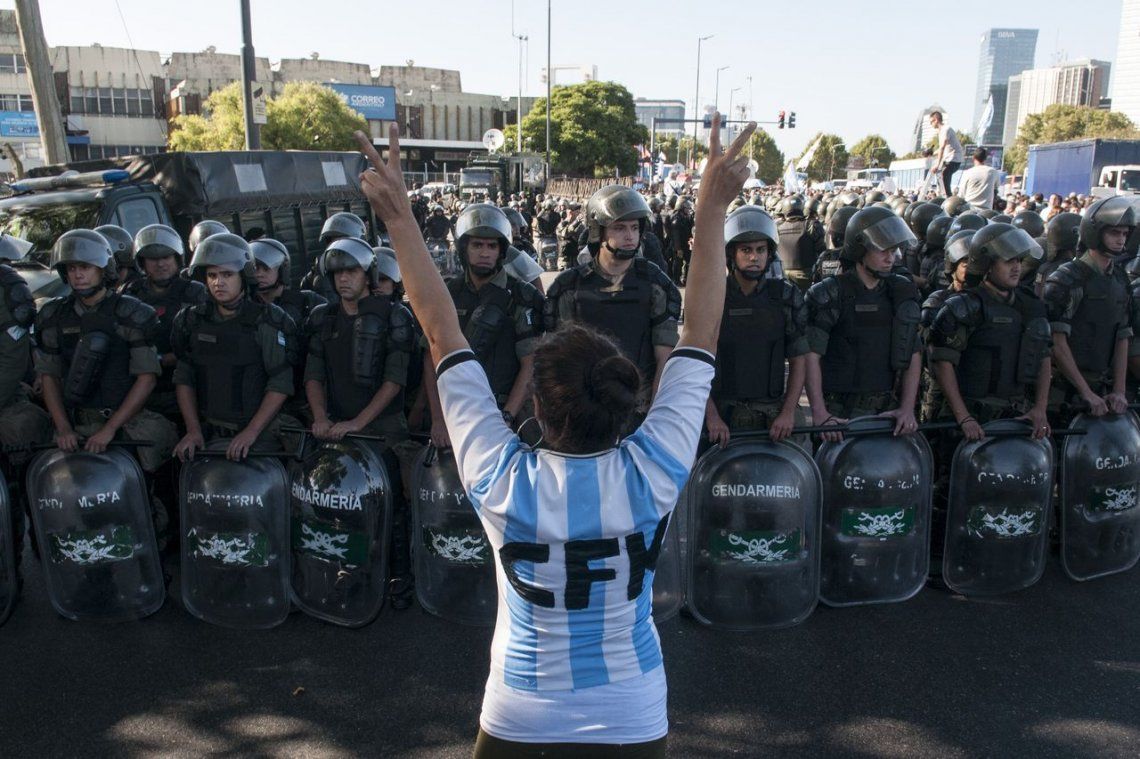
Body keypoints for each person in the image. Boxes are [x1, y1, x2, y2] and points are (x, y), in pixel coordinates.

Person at [354, 111, 755, 757]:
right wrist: (712, 210)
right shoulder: (654, 468)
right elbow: (701, 332)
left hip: (521, 706)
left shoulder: (500, 476)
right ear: (624, 402)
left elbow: (441, 333)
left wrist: (399, 220)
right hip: (632, 705)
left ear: (537, 404)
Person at [34, 230, 178, 534]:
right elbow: (49, 376)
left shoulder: (131, 314)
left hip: (128, 423)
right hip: (77, 424)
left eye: (85, 267)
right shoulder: (54, 316)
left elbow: (146, 378)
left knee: (150, 497)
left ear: (103, 268)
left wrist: (111, 428)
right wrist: (63, 428)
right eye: (72, 268)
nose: (78, 275)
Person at [421, 203, 544, 448]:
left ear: (501, 250)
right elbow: (430, 358)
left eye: (492, 246)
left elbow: (530, 364)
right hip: (456, 412)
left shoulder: (522, 296)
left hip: (510, 413)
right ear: (464, 249)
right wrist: (438, 418)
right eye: (477, 245)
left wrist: (506, 417)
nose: (485, 253)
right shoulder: (447, 293)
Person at [545, 186, 681, 407]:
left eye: (634, 228)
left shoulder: (655, 284)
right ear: (598, 231)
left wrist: (655, 412)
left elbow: (664, 357)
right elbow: (560, 357)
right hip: (586, 407)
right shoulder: (570, 287)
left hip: (639, 407)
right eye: (619, 228)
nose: (629, 236)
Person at [171, 233, 298, 461]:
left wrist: (251, 433)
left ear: (244, 276)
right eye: (212, 275)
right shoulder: (191, 321)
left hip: (258, 434)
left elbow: (280, 382)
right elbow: (184, 377)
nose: (218, 282)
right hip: (208, 433)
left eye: (227, 274)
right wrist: (193, 430)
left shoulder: (267, 321)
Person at [804, 205, 923, 439]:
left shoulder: (900, 291)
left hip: (886, 412)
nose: (890, 258)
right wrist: (819, 412)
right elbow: (811, 356)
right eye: (883, 250)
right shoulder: (830, 294)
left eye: (894, 250)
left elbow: (913, 352)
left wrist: (907, 409)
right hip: (838, 414)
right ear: (860, 249)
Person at [705, 205, 808, 447]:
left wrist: (788, 412)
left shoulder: (786, 297)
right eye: (746, 250)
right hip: (722, 412)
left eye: (761, 250)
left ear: (769, 253)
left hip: (772, 412)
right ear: (731, 253)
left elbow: (799, 360)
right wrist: (711, 416)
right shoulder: (712, 297)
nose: (754, 257)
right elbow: (696, 364)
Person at [1042, 196, 1135, 425]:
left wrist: (1119, 390)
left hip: (1103, 389)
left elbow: (1123, 335)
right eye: (1114, 233)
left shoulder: (1120, 279)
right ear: (1095, 232)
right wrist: (1085, 392)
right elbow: (1056, 343)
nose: (1121, 239)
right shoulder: (1067, 279)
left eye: (1124, 234)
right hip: (1063, 393)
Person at [120, 224, 210, 418]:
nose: (160, 264)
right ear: (142, 262)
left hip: (188, 385)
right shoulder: (131, 292)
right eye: (153, 259)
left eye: (166, 257)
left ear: (177, 258)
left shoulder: (195, 292)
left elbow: (206, 341)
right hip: (141, 387)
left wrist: (167, 359)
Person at [0, 233, 49, 579]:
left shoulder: (8, 288)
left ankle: (31, 563)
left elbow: (11, 360)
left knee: (20, 487)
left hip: (7, 400)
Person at [776, 195, 826, 291]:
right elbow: (822, 251)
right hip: (805, 276)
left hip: (782, 275)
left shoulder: (777, 227)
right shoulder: (811, 225)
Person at [929, 111, 963, 197]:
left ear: (936, 120)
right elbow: (943, 148)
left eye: (931, 122)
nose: (931, 124)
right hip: (949, 158)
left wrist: (937, 165)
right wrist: (931, 153)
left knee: (944, 176)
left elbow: (942, 147)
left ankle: (948, 198)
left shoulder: (946, 129)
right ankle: (945, 196)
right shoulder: (941, 131)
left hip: (954, 159)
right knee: (941, 178)